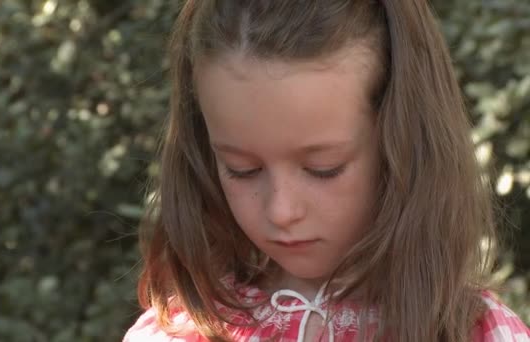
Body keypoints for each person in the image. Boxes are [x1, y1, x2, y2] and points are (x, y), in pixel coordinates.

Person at [124, 0, 530, 341]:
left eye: (324, 169)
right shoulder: (179, 333)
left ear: (404, 143)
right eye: (242, 169)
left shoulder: (480, 333)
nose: (282, 211)